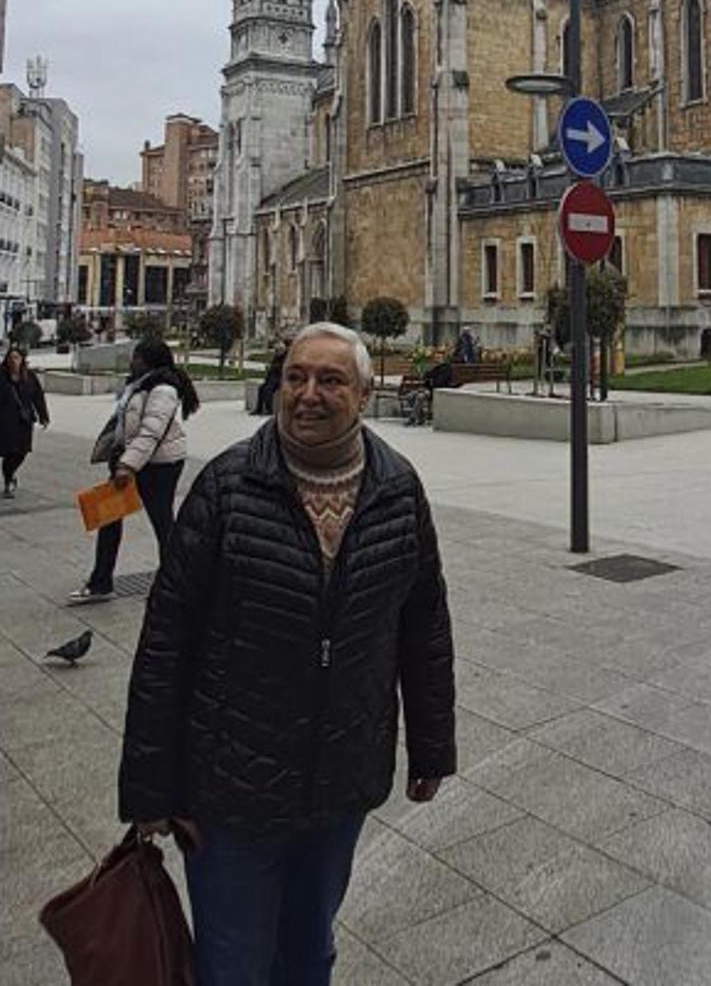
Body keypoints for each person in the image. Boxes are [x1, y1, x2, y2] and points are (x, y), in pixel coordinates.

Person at [119, 321, 456, 986]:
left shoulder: (397, 487)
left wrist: (432, 746)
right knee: (234, 962)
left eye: (329, 380)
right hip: (230, 785)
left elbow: (424, 626)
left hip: (339, 778)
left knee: (309, 953)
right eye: (296, 376)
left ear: (364, 393)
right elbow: (165, 641)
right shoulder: (227, 486)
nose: (307, 394)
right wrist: (149, 786)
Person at [69, 338, 200, 604]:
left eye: (136, 357)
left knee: (162, 521)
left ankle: (179, 582)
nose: (132, 361)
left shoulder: (163, 389)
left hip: (158, 465)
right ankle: (101, 582)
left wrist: (127, 465)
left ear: (148, 360)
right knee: (109, 518)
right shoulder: (141, 385)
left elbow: (152, 431)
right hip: (134, 460)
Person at [0, 348, 49, 497]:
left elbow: (38, 397)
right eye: (11, 358)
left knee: (22, 451)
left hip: (23, 421)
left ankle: (11, 474)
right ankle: (8, 481)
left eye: (17, 357)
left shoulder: (29, 376)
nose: (14, 361)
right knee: (9, 452)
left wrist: (43, 416)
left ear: (22, 359)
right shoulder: (0, 378)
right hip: (4, 421)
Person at [253, 338, 288, 416]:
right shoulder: (276, 358)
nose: (276, 352)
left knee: (268, 389)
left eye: (278, 350)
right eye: (276, 350)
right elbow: (271, 370)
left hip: (280, 379)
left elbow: (283, 370)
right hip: (272, 378)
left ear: (282, 350)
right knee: (261, 388)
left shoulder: (286, 358)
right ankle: (258, 409)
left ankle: (269, 409)